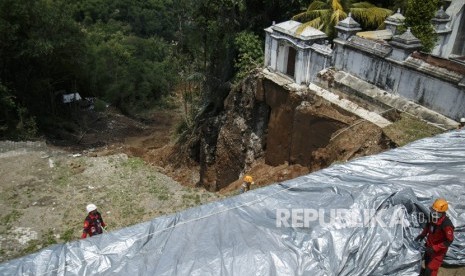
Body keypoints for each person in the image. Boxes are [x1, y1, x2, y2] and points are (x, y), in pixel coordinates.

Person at [415, 198, 454, 276]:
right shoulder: (433, 216)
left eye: (437, 213)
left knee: (430, 270)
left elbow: (449, 240)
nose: (434, 214)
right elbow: (428, 225)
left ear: (443, 213)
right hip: (429, 247)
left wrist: (435, 248)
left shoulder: (446, 225)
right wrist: (423, 234)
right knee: (426, 263)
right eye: (433, 211)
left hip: (438, 252)